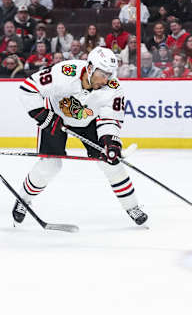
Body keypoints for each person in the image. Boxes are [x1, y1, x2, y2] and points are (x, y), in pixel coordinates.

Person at [13, 47, 148, 226]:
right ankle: (23, 199)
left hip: (89, 121)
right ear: (90, 68)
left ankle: (132, 206)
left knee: (110, 163)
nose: (106, 79)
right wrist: (44, 117)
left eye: (110, 74)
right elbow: (28, 88)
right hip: (56, 118)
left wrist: (110, 142)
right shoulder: (66, 72)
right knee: (50, 165)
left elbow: (110, 119)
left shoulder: (114, 88)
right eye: (102, 74)